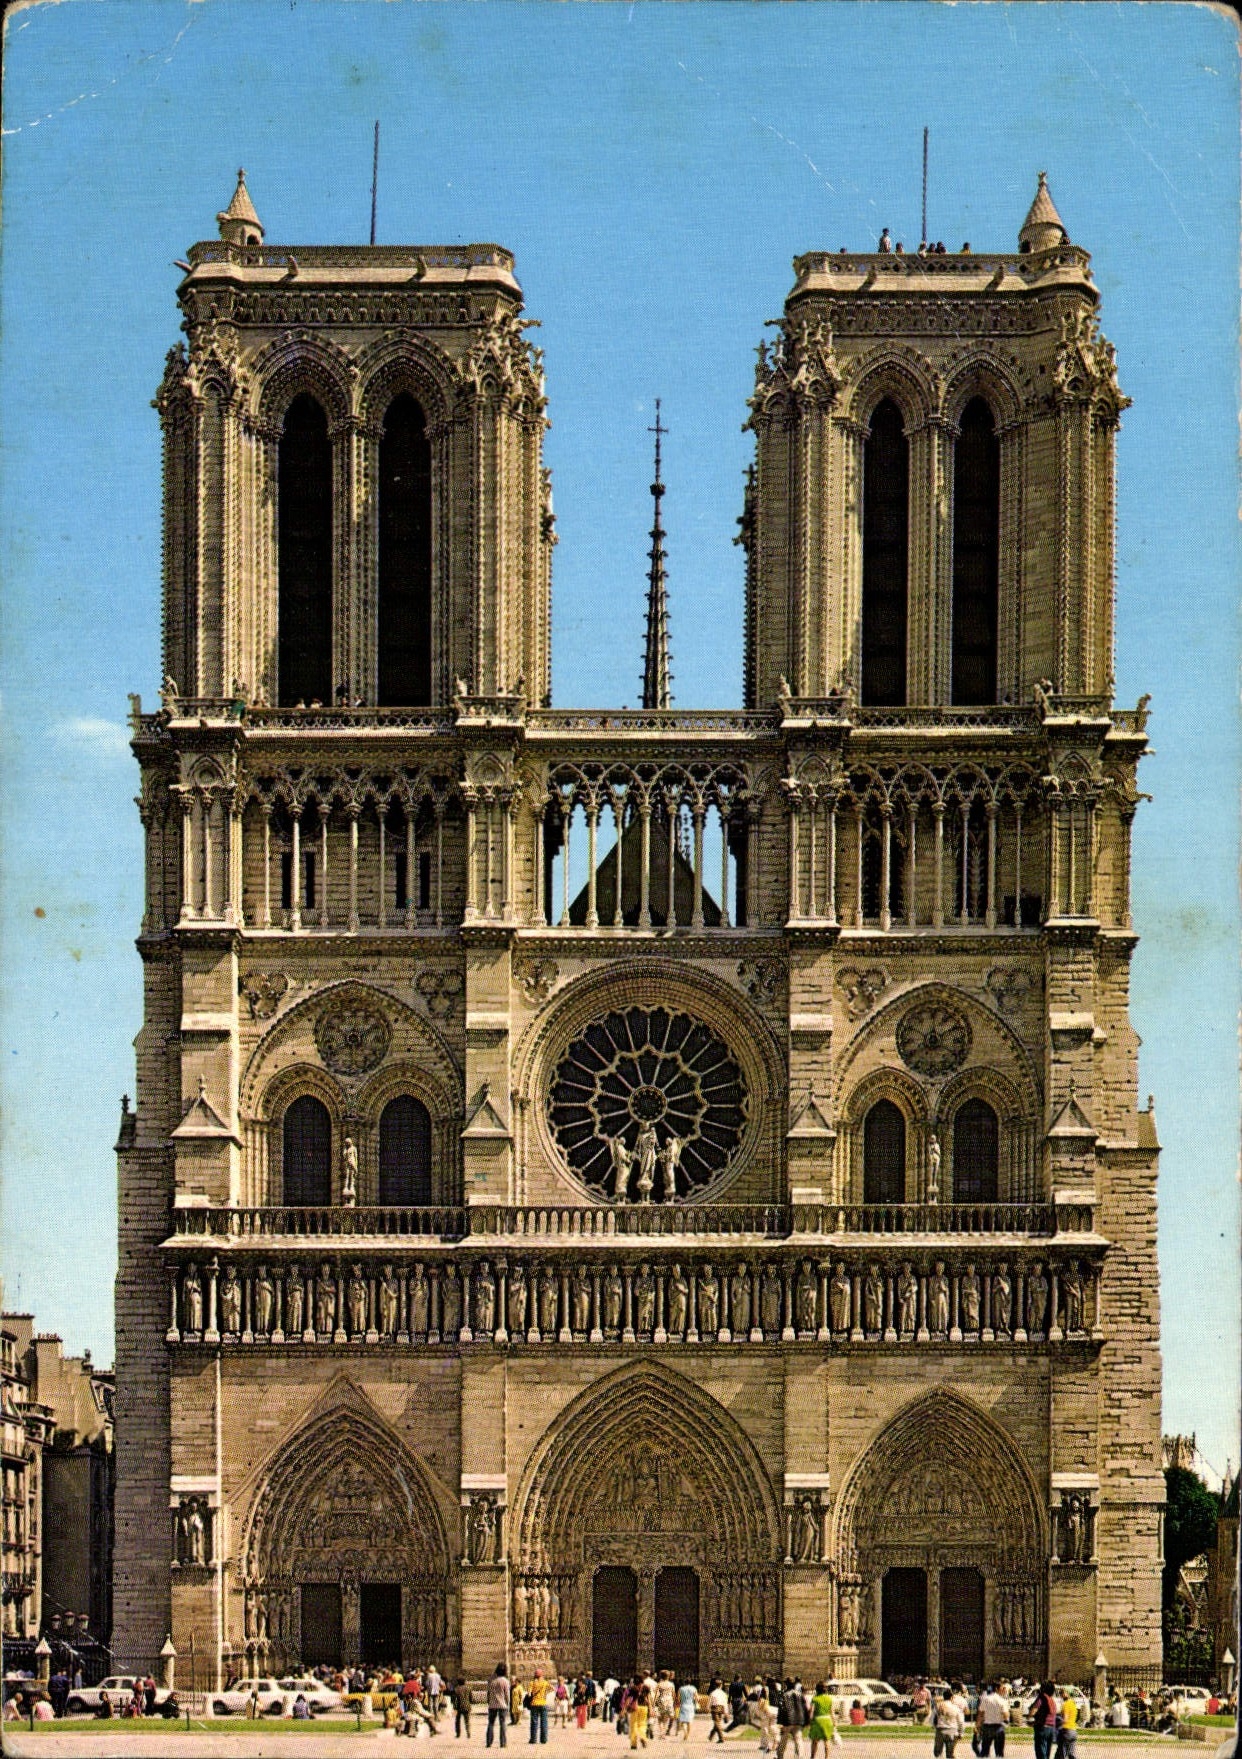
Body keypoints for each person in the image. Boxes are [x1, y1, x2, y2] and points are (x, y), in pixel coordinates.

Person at [777, 1677, 809, 1758]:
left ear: (787, 1684)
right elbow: (805, 1708)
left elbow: (782, 1709)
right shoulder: (800, 1694)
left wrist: (779, 1722)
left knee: (783, 1740)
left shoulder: (784, 1695)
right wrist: (807, 1721)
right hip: (799, 1720)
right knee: (798, 1740)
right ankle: (800, 1757)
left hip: (788, 1720)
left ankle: (780, 1756)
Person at [976, 1684, 1008, 1757]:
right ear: (996, 1689)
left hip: (987, 1727)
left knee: (985, 1750)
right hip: (998, 1727)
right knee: (999, 1751)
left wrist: (978, 1725)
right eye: (1002, 1688)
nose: (1004, 1690)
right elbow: (1006, 1715)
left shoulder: (986, 1699)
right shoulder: (1002, 1700)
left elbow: (980, 1714)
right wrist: (1005, 1722)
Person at [933, 1688, 965, 1759]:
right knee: (950, 1754)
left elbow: (934, 1719)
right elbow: (960, 1722)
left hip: (941, 1730)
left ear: (943, 1697)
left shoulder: (938, 1706)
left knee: (937, 1753)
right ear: (951, 1697)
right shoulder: (956, 1708)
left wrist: (935, 1727)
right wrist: (961, 1733)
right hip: (952, 1731)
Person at [808, 1684, 836, 1759]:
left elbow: (811, 1711)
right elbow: (832, 1712)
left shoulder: (815, 1699)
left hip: (817, 1720)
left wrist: (809, 1721)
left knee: (815, 1741)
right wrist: (834, 1722)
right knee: (827, 1741)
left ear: (817, 1689)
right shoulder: (829, 1699)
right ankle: (827, 1757)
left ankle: (812, 1757)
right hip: (827, 1720)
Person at [1031, 1685, 1058, 1759]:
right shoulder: (1052, 1701)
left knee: (1041, 1752)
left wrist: (1029, 1717)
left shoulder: (1041, 1699)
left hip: (1042, 1727)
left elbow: (1033, 1711)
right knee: (1047, 1752)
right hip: (1051, 1728)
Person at [488, 1664, 511, 1747]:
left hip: (492, 1705)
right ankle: (503, 1743)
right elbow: (507, 1694)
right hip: (502, 1705)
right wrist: (508, 1704)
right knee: (503, 1724)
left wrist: (489, 1702)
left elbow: (488, 1693)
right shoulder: (505, 1681)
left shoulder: (491, 1681)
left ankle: (489, 1742)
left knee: (491, 1723)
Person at [629, 1676, 652, 1749]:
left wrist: (624, 1710)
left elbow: (629, 1699)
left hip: (635, 1708)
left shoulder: (633, 1688)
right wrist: (651, 1709)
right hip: (644, 1708)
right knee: (642, 1724)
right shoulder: (646, 1687)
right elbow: (649, 1699)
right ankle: (642, 1737)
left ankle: (634, 1744)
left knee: (634, 1725)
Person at [528, 1671, 550, 1745]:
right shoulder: (545, 1682)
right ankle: (543, 1739)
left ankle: (533, 1739)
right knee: (544, 1722)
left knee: (534, 1722)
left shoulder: (532, 1683)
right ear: (541, 1675)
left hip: (534, 1704)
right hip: (543, 1703)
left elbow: (529, 1694)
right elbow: (553, 1688)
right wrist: (545, 1693)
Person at [1055, 1692, 1078, 1759]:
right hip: (1074, 1731)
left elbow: (1065, 1719)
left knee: (1061, 1753)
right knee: (1071, 1754)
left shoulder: (1066, 1704)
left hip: (1066, 1731)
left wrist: (1056, 1723)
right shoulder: (1073, 1705)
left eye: (1061, 1693)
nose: (1061, 1695)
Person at [708, 1678, 729, 1744]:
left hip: (714, 1709)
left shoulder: (712, 1693)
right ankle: (711, 1736)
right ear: (721, 1685)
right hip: (721, 1708)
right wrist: (726, 1712)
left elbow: (709, 1702)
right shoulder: (723, 1694)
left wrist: (708, 1708)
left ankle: (721, 1738)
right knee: (717, 1723)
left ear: (715, 1685)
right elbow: (725, 1703)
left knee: (717, 1723)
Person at [656, 1672, 676, 1738]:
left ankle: (661, 1732)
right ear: (668, 1676)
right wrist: (674, 1703)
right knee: (665, 1719)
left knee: (660, 1719)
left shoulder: (659, 1684)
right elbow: (673, 1694)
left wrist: (654, 1703)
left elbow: (656, 1694)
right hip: (669, 1701)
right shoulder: (671, 1684)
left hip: (661, 1701)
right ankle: (663, 1733)